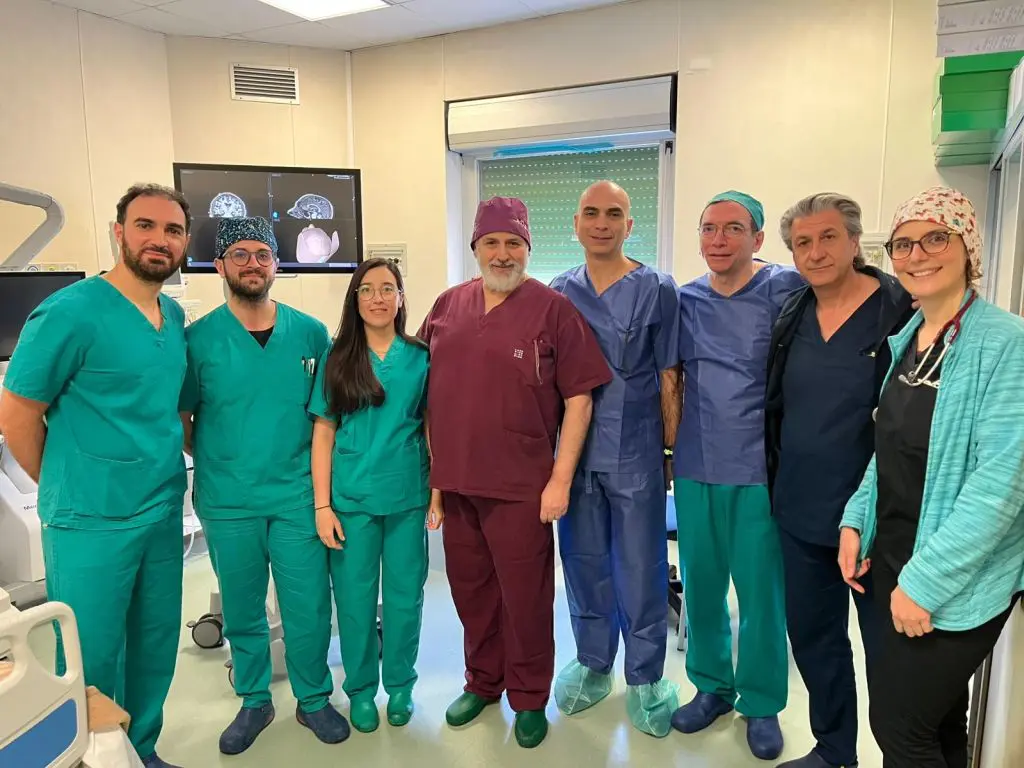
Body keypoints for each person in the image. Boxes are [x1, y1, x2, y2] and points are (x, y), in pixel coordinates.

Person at [0, 183, 192, 768]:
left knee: (155, 643)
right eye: (145, 225)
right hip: (90, 520)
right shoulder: (70, 312)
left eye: (173, 230)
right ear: (119, 232)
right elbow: (17, 415)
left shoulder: (173, 315)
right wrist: (66, 481)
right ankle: (91, 757)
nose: (159, 239)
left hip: (160, 508)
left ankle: (141, 750)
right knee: (92, 654)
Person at [839, 186, 1024, 768]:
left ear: (969, 248)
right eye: (903, 244)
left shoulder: (1007, 343)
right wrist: (855, 519)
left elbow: (1001, 484)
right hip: (892, 557)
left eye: (935, 238)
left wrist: (925, 583)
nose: (916, 254)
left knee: (899, 729)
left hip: (952, 576)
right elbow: (889, 447)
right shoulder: (911, 338)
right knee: (939, 721)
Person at [418, 196, 612, 748]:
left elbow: (579, 399)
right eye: (491, 243)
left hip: (522, 486)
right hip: (458, 482)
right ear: (476, 248)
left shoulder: (553, 310)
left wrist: (559, 480)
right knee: (471, 592)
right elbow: (426, 392)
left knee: (526, 599)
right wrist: (435, 481)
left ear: (527, 248)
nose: (502, 254)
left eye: (513, 244)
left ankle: (528, 697)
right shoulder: (447, 306)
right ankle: (483, 682)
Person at [178, 216, 349, 754]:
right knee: (243, 605)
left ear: (276, 264)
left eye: (263, 254)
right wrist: (227, 459)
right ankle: (254, 700)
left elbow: (325, 419)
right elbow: (185, 423)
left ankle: (313, 698)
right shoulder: (197, 341)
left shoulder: (311, 334)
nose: (253, 264)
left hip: (297, 497)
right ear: (220, 265)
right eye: (240, 254)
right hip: (228, 501)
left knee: (308, 605)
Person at [766, 193, 915, 768]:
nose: (815, 252)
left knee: (891, 657)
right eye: (802, 243)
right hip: (801, 512)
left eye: (828, 237)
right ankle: (833, 752)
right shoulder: (792, 315)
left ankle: (903, 757)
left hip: (881, 522)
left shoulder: (902, 314)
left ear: (855, 242)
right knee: (815, 641)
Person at [670, 190, 803, 760]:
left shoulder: (786, 289)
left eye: (732, 228)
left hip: (758, 469)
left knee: (760, 594)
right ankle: (711, 688)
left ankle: (762, 702)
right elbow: (670, 378)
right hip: (696, 465)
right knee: (701, 586)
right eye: (708, 228)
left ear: (758, 238)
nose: (718, 240)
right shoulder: (685, 299)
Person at [549, 180, 681, 737]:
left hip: (637, 449)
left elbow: (670, 375)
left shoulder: (658, 288)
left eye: (613, 213)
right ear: (576, 224)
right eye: (591, 213)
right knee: (582, 561)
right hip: (575, 453)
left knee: (640, 565)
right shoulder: (559, 291)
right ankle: (593, 661)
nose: (601, 223)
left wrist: (670, 448)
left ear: (630, 224)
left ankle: (646, 675)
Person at [308, 257, 435, 734]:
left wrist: (437, 493)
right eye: (367, 289)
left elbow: (432, 428)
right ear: (355, 300)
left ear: (401, 298)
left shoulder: (420, 357)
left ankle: (400, 686)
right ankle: (360, 690)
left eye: (388, 288)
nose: (378, 298)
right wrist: (322, 505)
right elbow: (323, 433)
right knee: (355, 601)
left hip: (407, 497)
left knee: (405, 598)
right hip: (351, 502)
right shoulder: (338, 357)